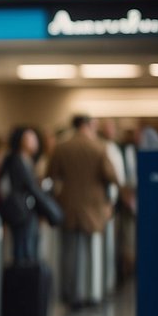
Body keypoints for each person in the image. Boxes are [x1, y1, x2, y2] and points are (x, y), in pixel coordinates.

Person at [47, 115, 119, 304]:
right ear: (87, 126)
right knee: (91, 252)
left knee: (69, 252)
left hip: (68, 206)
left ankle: (70, 294)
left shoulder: (62, 147)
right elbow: (111, 176)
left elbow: (51, 175)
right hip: (94, 209)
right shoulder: (99, 147)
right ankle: (91, 293)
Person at [0, 127, 54, 265]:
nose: (34, 141)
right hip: (21, 211)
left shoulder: (28, 160)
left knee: (28, 249)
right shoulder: (16, 160)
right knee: (23, 250)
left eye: (35, 138)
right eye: (30, 138)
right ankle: (22, 283)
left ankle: (27, 281)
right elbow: (27, 186)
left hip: (28, 210)